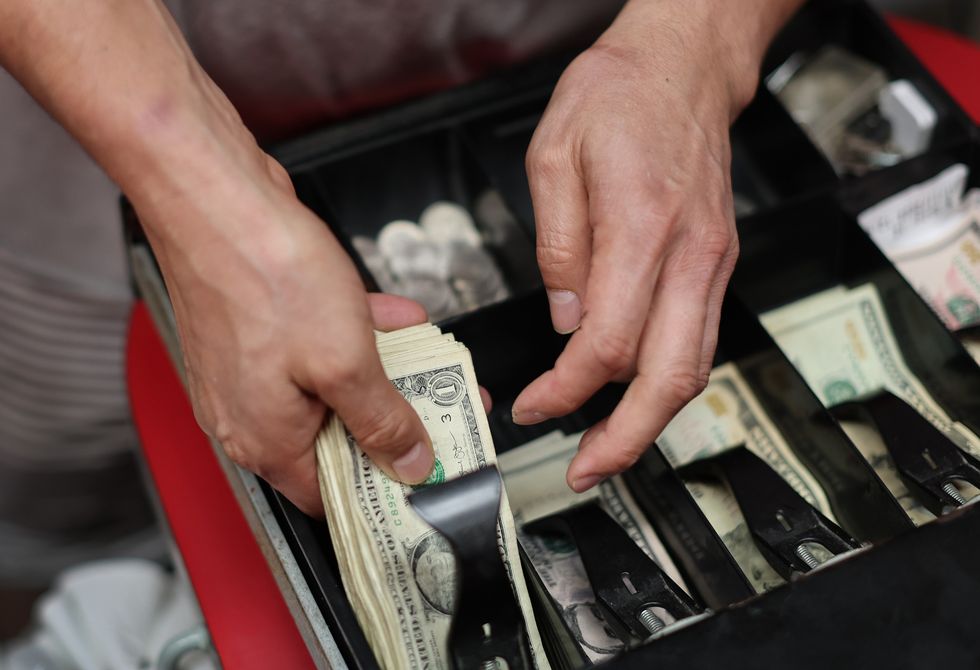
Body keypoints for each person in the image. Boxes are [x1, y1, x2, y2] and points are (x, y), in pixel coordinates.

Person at [0, 0, 803, 528]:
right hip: (95, 86)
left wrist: (701, 37)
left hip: (602, 38)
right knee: (68, 458)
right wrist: (180, 177)